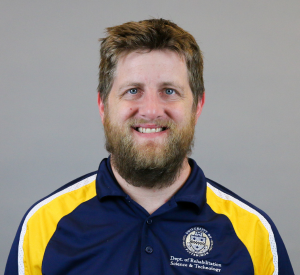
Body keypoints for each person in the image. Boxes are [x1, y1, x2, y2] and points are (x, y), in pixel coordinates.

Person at [5, 18, 294, 275]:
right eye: (133, 91)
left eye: (170, 91)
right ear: (103, 105)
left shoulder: (252, 233)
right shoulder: (43, 226)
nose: (152, 110)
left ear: (198, 106)